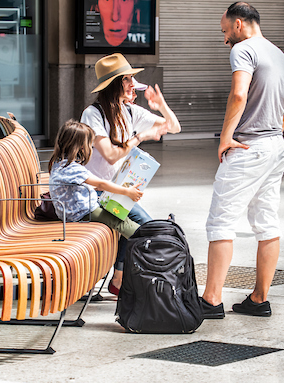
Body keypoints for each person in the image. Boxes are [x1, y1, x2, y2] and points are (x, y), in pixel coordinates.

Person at [201, 2, 284, 319]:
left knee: (220, 222)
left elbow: (239, 94)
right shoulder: (281, 57)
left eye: (226, 31)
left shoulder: (244, 50)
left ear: (239, 24)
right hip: (276, 146)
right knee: (267, 222)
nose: (225, 39)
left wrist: (227, 137)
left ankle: (211, 300)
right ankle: (259, 298)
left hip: (248, 147)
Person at [81, 52, 181, 295]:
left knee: (147, 226)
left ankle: (118, 279)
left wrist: (161, 106)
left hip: (116, 193)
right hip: (93, 194)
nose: (133, 86)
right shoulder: (93, 114)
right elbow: (111, 155)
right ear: (114, 84)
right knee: (141, 226)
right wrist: (141, 137)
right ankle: (121, 281)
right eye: (127, 80)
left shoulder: (130, 111)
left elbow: (174, 127)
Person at [48, 120, 142, 240]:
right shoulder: (72, 168)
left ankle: (136, 245)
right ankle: (149, 241)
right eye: (90, 145)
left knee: (122, 214)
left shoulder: (59, 163)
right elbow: (100, 183)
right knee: (120, 222)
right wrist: (127, 191)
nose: (91, 148)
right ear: (81, 146)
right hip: (81, 213)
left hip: (75, 211)